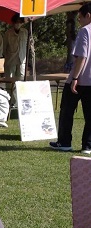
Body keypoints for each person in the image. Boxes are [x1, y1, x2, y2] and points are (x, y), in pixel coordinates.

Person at [50, 3, 91, 153]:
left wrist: (75, 78)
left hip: (80, 79)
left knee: (67, 111)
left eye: (80, 17)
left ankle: (65, 142)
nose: (79, 20)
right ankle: (87, 145)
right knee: (90, 115)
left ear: (88, 16)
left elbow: (82, 56)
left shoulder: (85, 31)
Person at [3, 14, 28, 81]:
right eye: (16, 22)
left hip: (22, 60)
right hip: (10, 60)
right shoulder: (8, 33)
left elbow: (28, 45)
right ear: (13, 23)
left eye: (20, 22)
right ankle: (9, 92)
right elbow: (4, 47)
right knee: (10, 79)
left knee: (21, 79)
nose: (18, 23)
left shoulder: (25, 32)